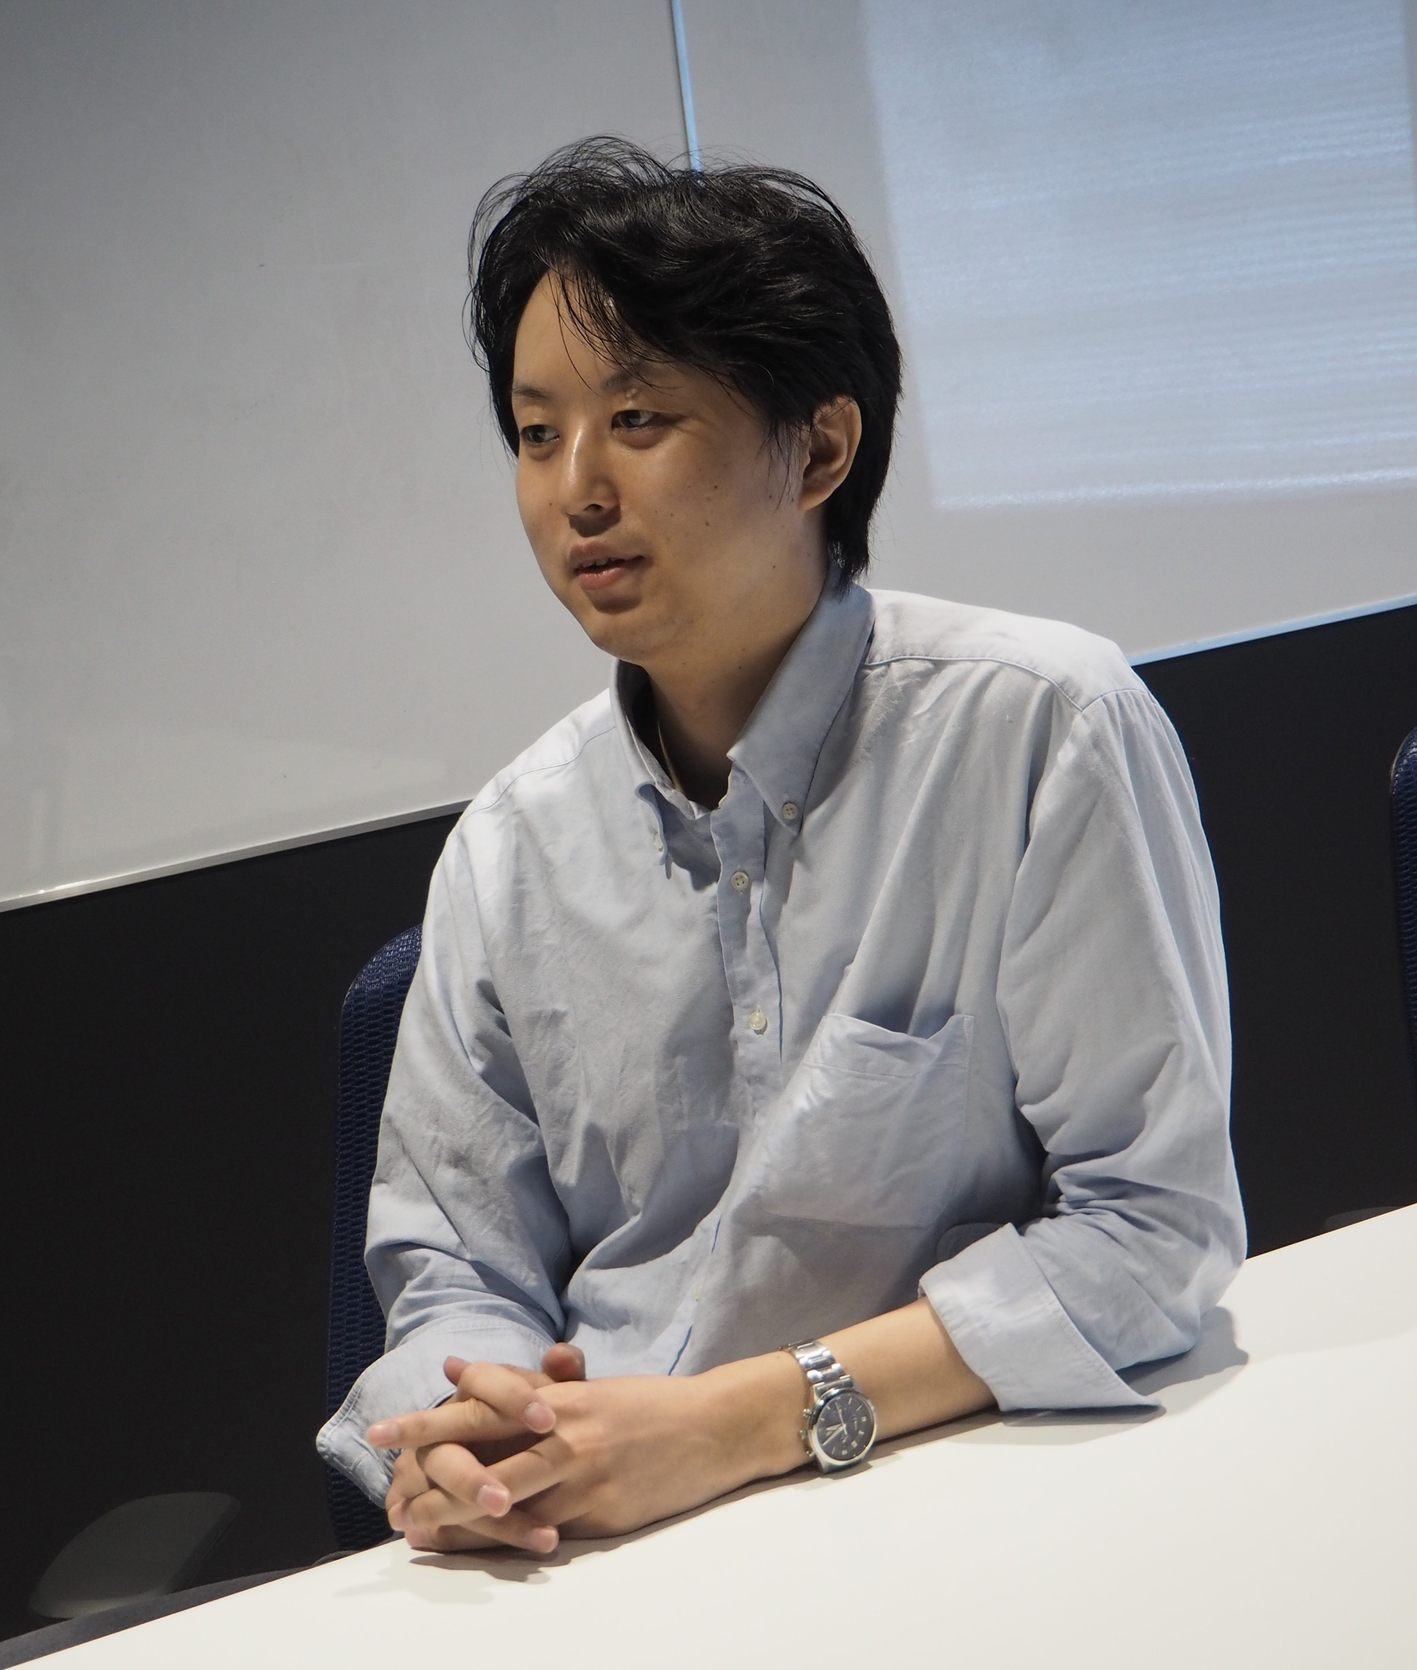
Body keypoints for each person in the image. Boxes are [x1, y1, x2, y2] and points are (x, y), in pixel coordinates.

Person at [316, 137, 1245, 1556]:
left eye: (638, 419)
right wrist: (474, 1435)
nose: (576, 491)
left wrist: (740, 1421)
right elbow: (453, 1271)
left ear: (818, 449)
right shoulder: (508, 850)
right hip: (598, 1544)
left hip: (970, 1505)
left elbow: (1152, 1229)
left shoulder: (1039, 729)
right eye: (536, 432)